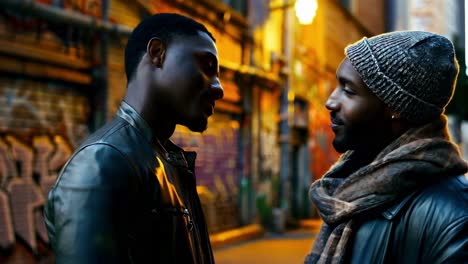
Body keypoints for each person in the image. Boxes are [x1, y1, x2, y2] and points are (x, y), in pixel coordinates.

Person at [44, 13, 223, 263]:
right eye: (207, 67)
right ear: (158, 53)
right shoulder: (103, 161)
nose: (219, 88)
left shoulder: (162, 160)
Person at [305, 31, 468, 264]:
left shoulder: (455, 218)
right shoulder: (350, 193)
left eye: (348, 91)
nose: (330, 102)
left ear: (395, 107)